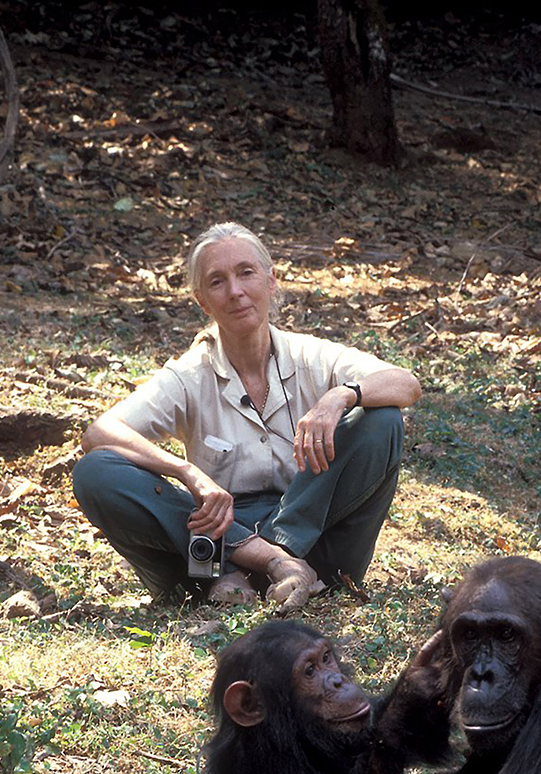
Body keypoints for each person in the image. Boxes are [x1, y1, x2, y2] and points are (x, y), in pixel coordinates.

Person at [72, 221, 421, 611]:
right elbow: (100, 432)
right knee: (96, 471)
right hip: (210, 555)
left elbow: (405, 383)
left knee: (382, 419)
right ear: (203, 301)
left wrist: (340, 396)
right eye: (217, 281)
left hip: (318, 550)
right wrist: (188, 473)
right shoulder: (190, 375)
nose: (235, 291)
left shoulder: (311, 356)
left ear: (271, 281)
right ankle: (265, 563)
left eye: (246, 273)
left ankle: (283, 562)